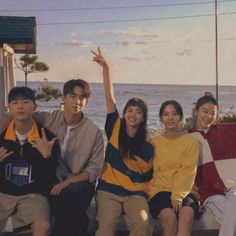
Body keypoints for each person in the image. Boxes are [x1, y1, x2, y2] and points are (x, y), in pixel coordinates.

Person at [0, 79, 104, 236]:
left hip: (76, 181)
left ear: (86, 101)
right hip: (51, 180)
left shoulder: (93, 131)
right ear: (63, 98)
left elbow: (94, 169)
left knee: (71, 198)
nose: (77, 101)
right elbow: (20, 114)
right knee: (51, 197)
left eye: (82, 98)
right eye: (72, 96)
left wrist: (67, 182)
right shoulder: (50, 118)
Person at [91, 47, 154, 236]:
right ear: (125, 113)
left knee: (142, 226)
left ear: (143, 117)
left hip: (135, 193)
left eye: (138, 111)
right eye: (130, 110)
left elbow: (151, 175)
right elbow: (109, 97)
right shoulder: (114, 127)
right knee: (106, 227)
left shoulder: (148, 146)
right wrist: (106, 67)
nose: (133, 114)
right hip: (108, 190)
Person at [0, 87, 59, 236]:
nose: (20, 106)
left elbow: (49, 178)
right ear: (9, 108)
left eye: (26, 102)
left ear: (35, 107)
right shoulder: (2, 135)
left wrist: (47, 157)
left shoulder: (46, 138)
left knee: (43, 226)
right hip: (3, 194)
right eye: (15, 102)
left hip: (33, 196)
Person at [149, 100, 200, 236]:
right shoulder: (153, 142)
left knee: (186, 216)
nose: (170, 118)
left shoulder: (191, 142)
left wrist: (177, 195)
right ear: (161, 118)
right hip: (160, 190)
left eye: (175, 114)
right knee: (169, 217)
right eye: (166, 114)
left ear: (181, 118)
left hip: (186, 191)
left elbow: (188, 170)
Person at [189, 95, 236, 236]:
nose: (209, 116)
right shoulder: (186, 138)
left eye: (213, 113)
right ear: (196, 111)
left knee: (234, 200)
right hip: (211, 194)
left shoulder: (227, 130)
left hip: (233, 189)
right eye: (205, 111)